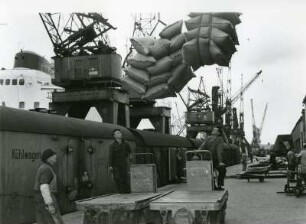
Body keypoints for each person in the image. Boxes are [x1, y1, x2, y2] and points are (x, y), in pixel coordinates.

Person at [33, 149, 64, 224]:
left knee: (43, 221)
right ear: (49, 158)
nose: (56, 158)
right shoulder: (46, 169)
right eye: (54, 156)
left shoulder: (45, 167)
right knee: (54, 221)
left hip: (41, 199)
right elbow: (44, 187)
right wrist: (49, 204)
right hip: (45, 199)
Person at [108, 129, 131, 193]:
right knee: (118, 177)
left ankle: (127, 191)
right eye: (118, 133)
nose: (120, 134)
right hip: (115, 164)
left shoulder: (126, 143)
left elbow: (128, 151)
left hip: (123, 162)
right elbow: (110, 155)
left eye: (120, 133)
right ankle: (121, 191)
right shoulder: (112, 145)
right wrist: (110, 165)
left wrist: (125, 156)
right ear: (114, 136)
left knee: (125, 177)